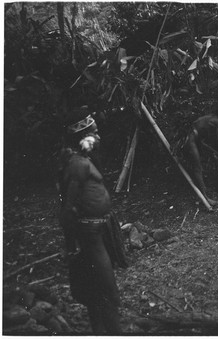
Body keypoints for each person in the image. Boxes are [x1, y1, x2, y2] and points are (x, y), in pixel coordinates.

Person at [57, 106, 123, 333]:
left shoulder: (84, 159)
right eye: (94, 132)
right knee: (108, 289)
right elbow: (67, 208)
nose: (98, 136)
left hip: (97, 230)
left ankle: (100, 330)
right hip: (91, 234)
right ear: (82, 137)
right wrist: (71, 243)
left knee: (97, 288)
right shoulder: (77, 164)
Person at [184, 107, 218, 206]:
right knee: (197, 168)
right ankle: (204, 198)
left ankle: (201, 193)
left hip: (190, 137)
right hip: (190, 139)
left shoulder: (208, 117)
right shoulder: (217, 121)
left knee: (197, 166)